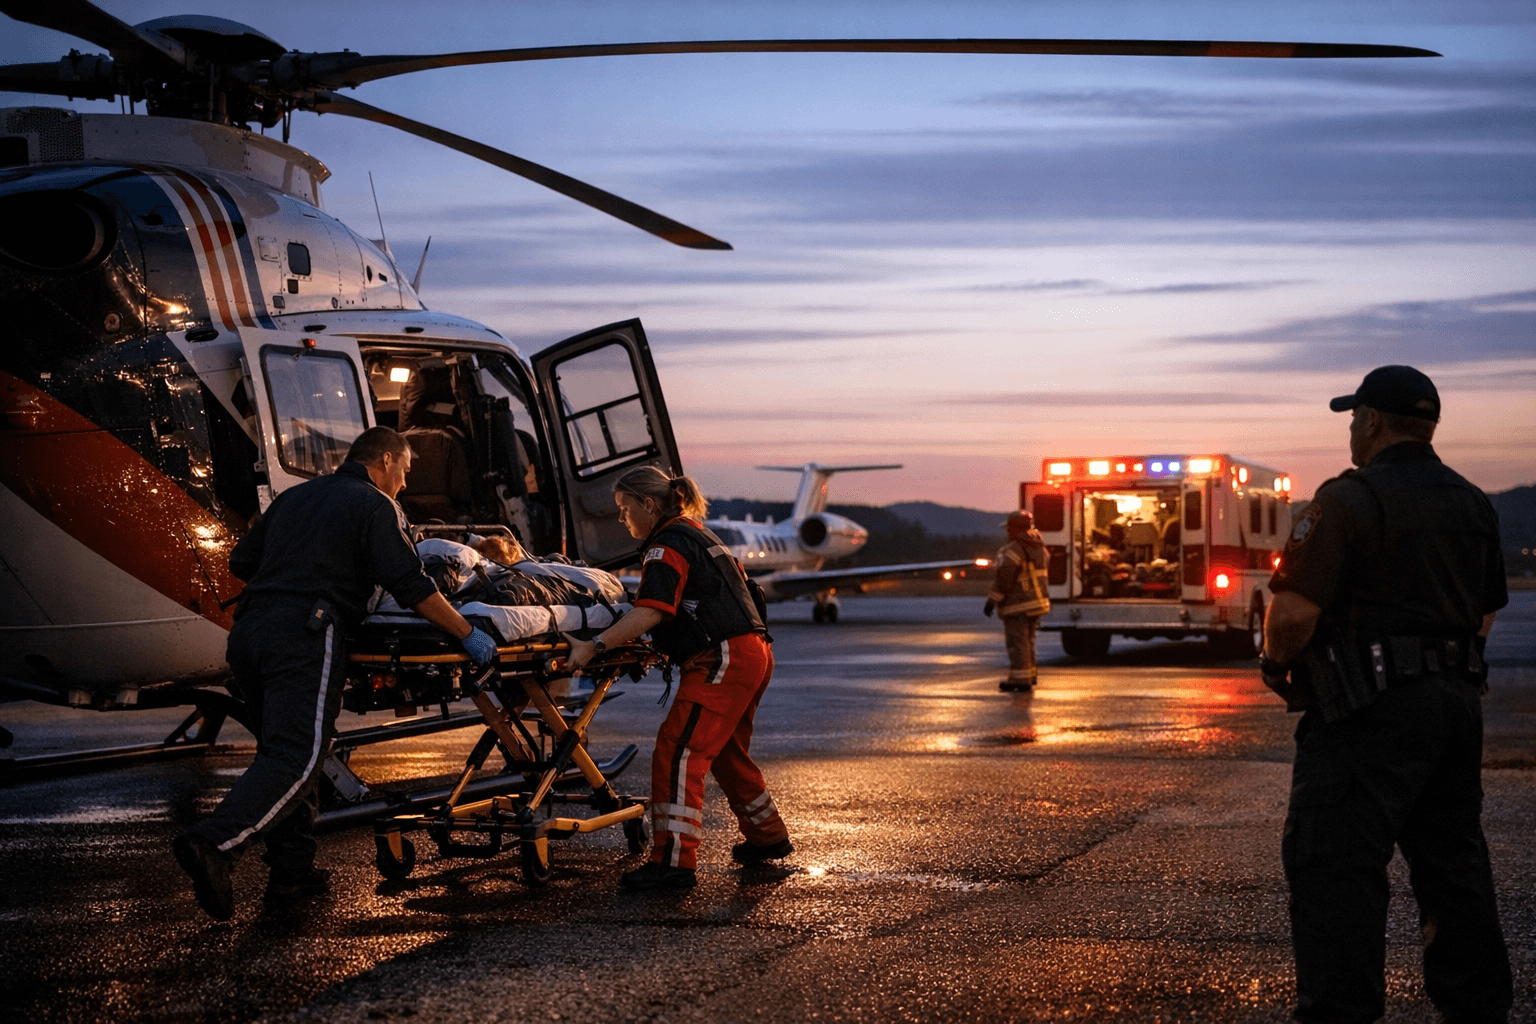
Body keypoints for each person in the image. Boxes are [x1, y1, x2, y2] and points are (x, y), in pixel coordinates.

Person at [1260, 365, 1511, 1023]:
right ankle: (1477, 1008)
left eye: (1353, 419)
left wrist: (1275, 661)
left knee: (1336, 869)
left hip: (1364, 713)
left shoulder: (1346, 500)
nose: (1351, 431)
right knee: (1454, 868)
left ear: (1370, 422)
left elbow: (1292, 616)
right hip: (1454, 709)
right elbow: (1484, 612)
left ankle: (1339, 1012)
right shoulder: (1473, 502)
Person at [173, 427, 499, 920]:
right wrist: (466, 632)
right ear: (385, 460)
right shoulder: (374, 505)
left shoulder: (293, 498)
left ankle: (292, 873)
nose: (405, 484)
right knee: (298, 758)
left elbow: (242, 561)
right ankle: (215, 844)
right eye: (405, 472)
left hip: (248, 635)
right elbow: (412, 584)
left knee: (285, 750)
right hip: (305, 633)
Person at [563, 465, 791, 890]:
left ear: (648, 505)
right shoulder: (698, 534)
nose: (621, 518)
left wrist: (593, 647)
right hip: (752, 651)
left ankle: (673, 863)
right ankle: (768, 837)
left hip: (722, 657)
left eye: (624, 508)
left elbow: (650, 611)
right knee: (724, 752)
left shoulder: (665, 547)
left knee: (678, 752)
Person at [984, 510, 1051, 691]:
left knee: (1017, 643)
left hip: (1018, 604)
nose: (1007, 532)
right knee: (1028, 641)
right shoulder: (1039, 547)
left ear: (1014, 528)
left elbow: (1004, 579)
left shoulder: (1013, 549)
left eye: (1009, 528)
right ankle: (1030, 676)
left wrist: (992, 600)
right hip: (1037, 602)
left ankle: (1020, 680)